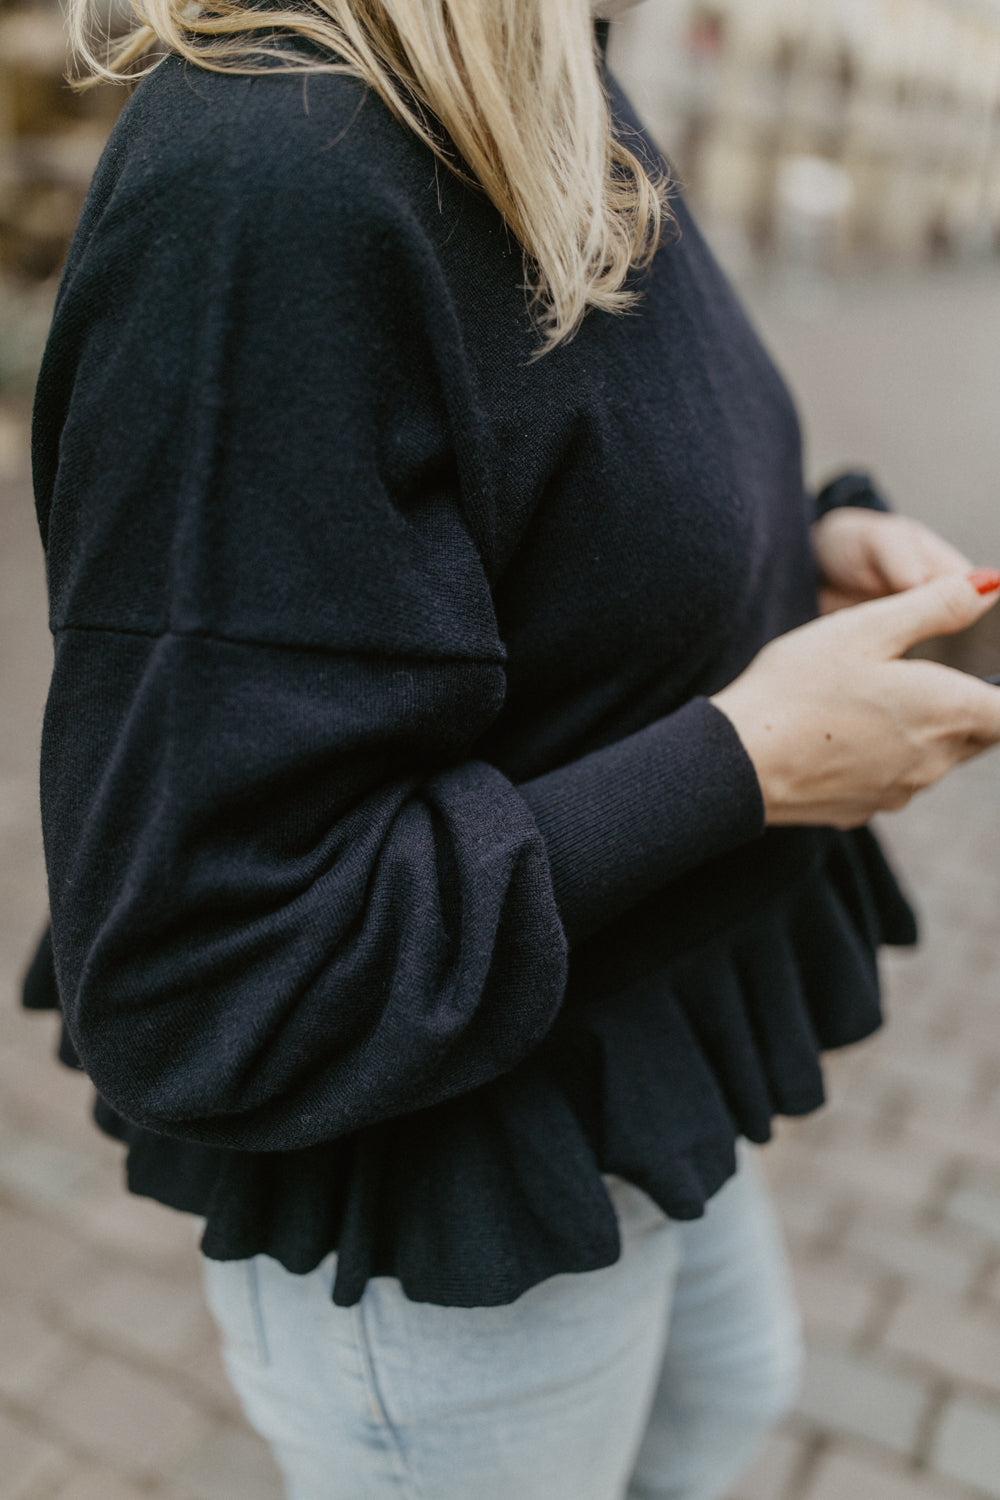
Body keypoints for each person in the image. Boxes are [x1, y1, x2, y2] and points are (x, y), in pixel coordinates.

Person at [23, 0, 1000, 1496]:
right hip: (451, 1178)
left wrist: (808, 543)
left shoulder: (552, 71)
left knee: (736, 1393)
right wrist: (747, 764)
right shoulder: (265, 189)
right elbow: (210, 966)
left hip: (622, 1048)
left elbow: (571, 473)